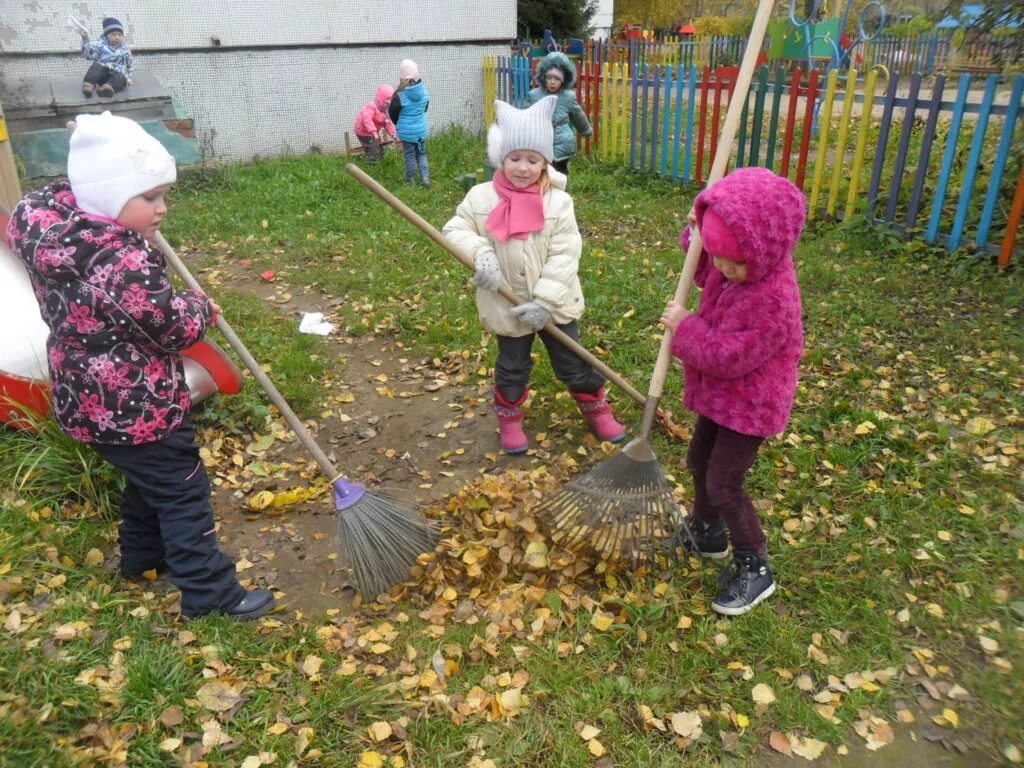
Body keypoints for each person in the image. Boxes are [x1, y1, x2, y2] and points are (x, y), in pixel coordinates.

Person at [5, 112, 275, 622]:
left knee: (146, 479)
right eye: (149, 198)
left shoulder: (54, 233)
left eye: (163, 196)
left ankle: (143, 559)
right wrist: (198, 308)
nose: (162, 209)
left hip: (87, 399)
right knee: (182, 492)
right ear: (108, 196)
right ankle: (210, 595)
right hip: (138, 403)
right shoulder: (118, 261)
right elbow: (169, 329)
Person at [660, 167, 806, 617]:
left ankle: (755, 564)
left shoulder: (773, 297)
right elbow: (705, 267)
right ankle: (708, 533)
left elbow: (728, 356)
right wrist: (697, 237)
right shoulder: (738, 265)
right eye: (719, 255)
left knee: (724, 482)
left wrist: (686, 328)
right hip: (721, 398)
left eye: (733, 261)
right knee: (698, 461)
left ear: (766, 249)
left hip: (751, 404)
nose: (723, 269)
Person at [443, 98, 626, 454]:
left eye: (532, 159)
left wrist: (544, 301)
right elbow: (455, 229)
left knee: (573, 360)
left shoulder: (558, 202)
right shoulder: (480, 197)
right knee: (512, 366)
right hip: (505, 302)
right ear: (500, 158)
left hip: (555, 304)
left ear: (546, 161)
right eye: (514, 158)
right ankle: (509, 418)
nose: (523, 168)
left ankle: (596, 407)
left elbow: (565, 253)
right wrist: (481, 254)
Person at [527, 52, 592, 176]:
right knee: (541, 172)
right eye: (549, 78)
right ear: (543, 77)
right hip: (541, 141)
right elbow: (527, 118)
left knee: (560, 173)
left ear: (564, 80)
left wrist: (585, 129)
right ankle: (543, 192)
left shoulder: (568, 97)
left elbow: (577, 115)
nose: (552, 82)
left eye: (557, 79)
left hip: (562, 142)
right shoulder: (534, 95)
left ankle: (562, 193)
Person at [388, 60, 430, 186]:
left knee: (410, 155)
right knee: (421, 154)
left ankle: (410, 180)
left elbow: (392, 113)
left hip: (407, 133)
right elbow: (425, 108)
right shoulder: (424, 92)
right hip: (420, 131)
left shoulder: (399, 95)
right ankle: (425, 178)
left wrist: (398, 124)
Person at [77, 16, 134, 98]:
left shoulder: (125, 51)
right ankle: (88, 85)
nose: (117, 37)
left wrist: (128, 78)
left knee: (122, 78)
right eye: (113, 35)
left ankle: (107, 88)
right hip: (102, 75)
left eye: (120, 35)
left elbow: (129, 65)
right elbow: (89, 54)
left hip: (116, 76)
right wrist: (85, 38)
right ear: (106, 35)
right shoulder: (100, 46)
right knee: (96, 66)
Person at [353, 84, 397, 164]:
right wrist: (373, 132)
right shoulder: (371, 107)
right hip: (363, 131)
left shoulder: (384, 111)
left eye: (391, 99)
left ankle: (380, 160)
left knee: (379, 145)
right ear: (381, 98)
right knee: (373, 147)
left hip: (372, 132)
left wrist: (394, 135)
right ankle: (372, 163)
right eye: (388, 99)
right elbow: (367, 119)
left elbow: (388, 124)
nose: (389, 102)